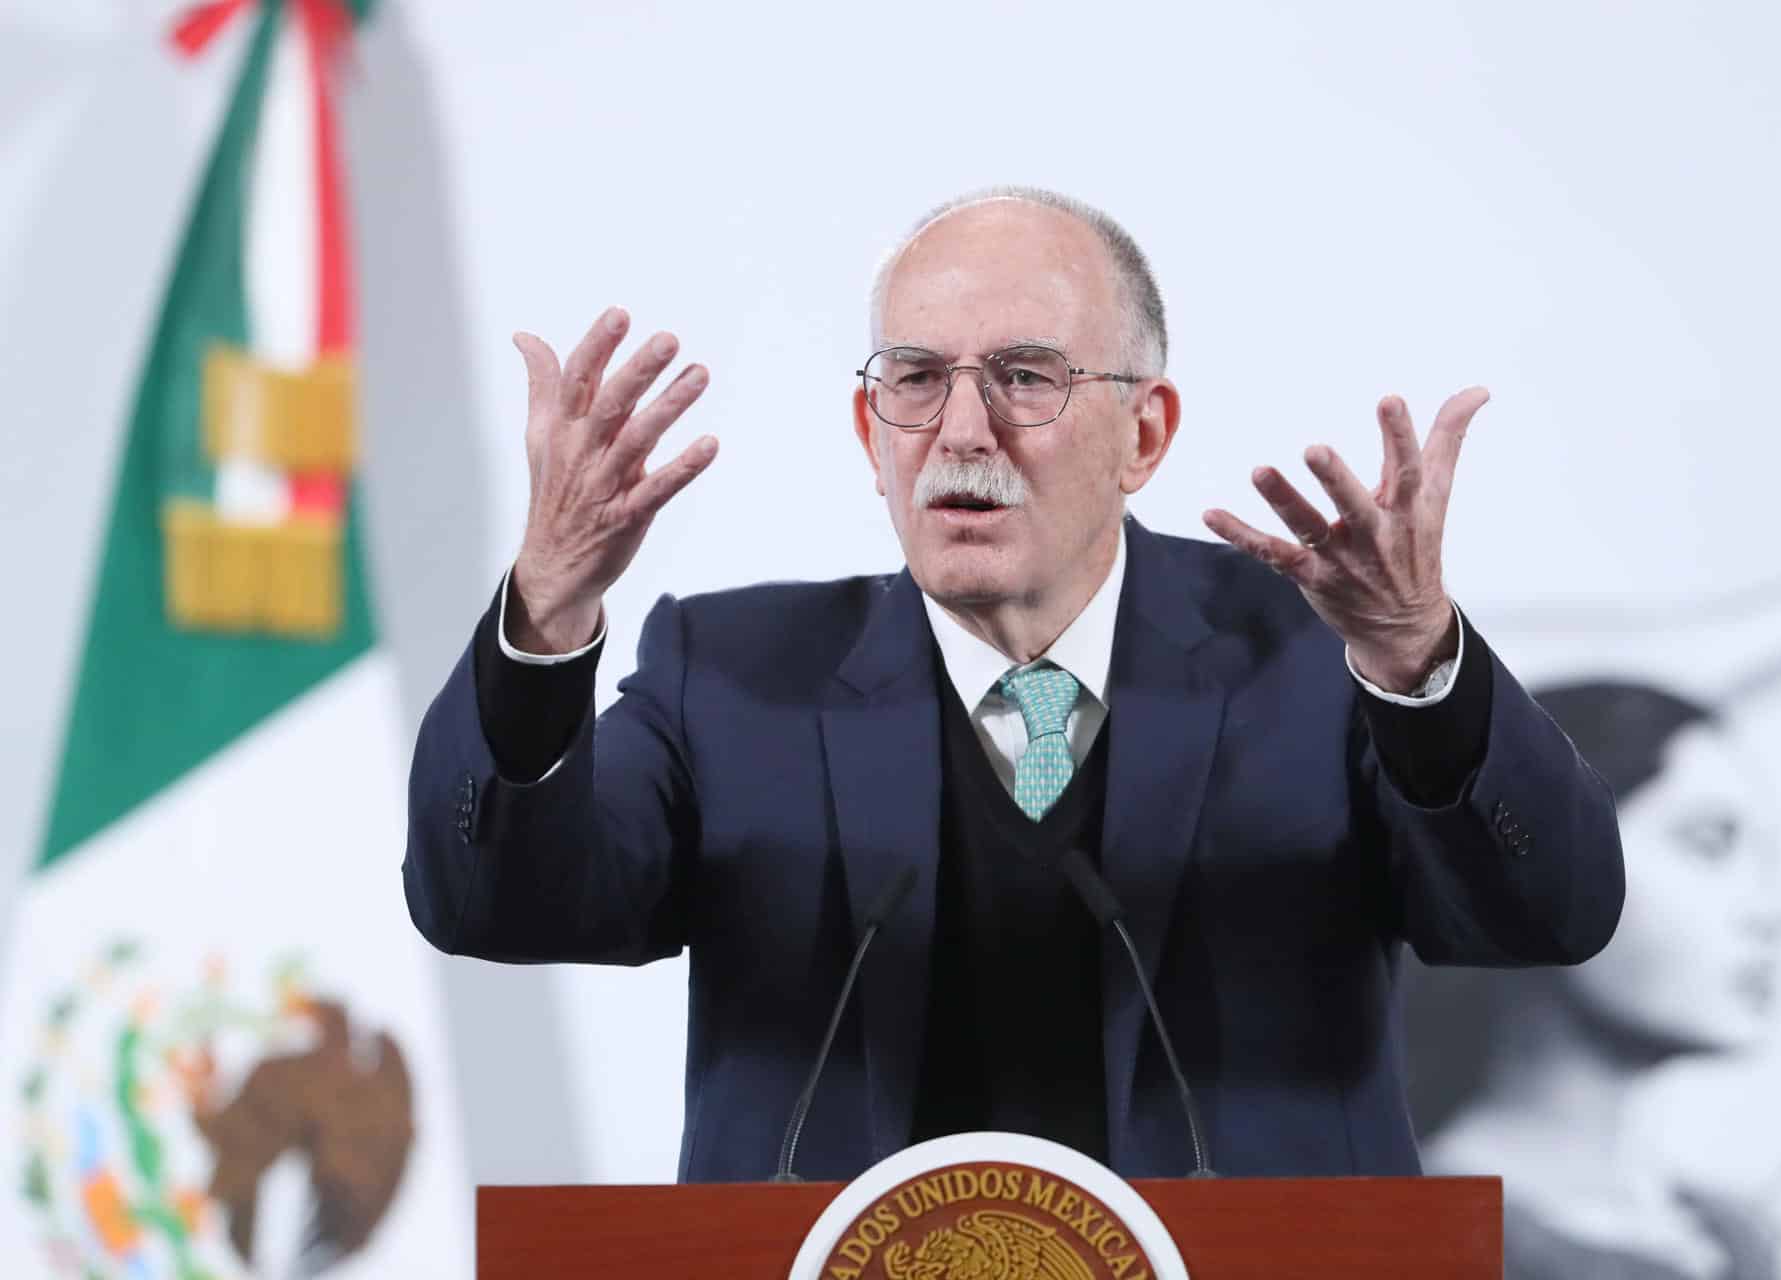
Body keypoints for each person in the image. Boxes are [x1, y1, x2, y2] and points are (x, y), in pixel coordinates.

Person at [401, 186, 1625, 1182]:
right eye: (916, 378)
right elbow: (494, 901)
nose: (964, 429)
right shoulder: (734, 682)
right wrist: (544, 619)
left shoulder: (1313, 653)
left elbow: (1549, 911)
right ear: (868, 432)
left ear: (1144, 432)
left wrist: (1419, 666)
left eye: (1027, 375)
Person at [1413, 681, 1781, 1279]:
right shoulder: (1394, 1242)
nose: (1773, 909)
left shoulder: (1756, 1240)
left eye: (1764, 860)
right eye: (1709, 843)